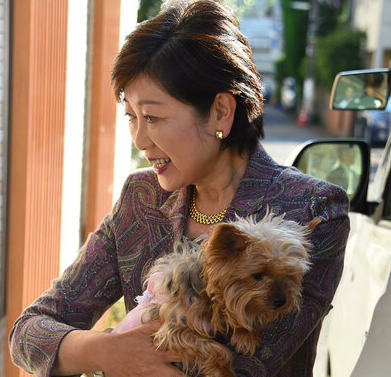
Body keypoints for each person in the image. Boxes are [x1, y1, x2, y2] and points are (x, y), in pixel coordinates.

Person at [9, 1, 350, 376]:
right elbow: (28, 332)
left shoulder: (314, 209)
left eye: (153, 117)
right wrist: (106, 351)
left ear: (221, 111)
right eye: (131, 117)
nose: (139, 139)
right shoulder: (141, 199)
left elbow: (244, 365)